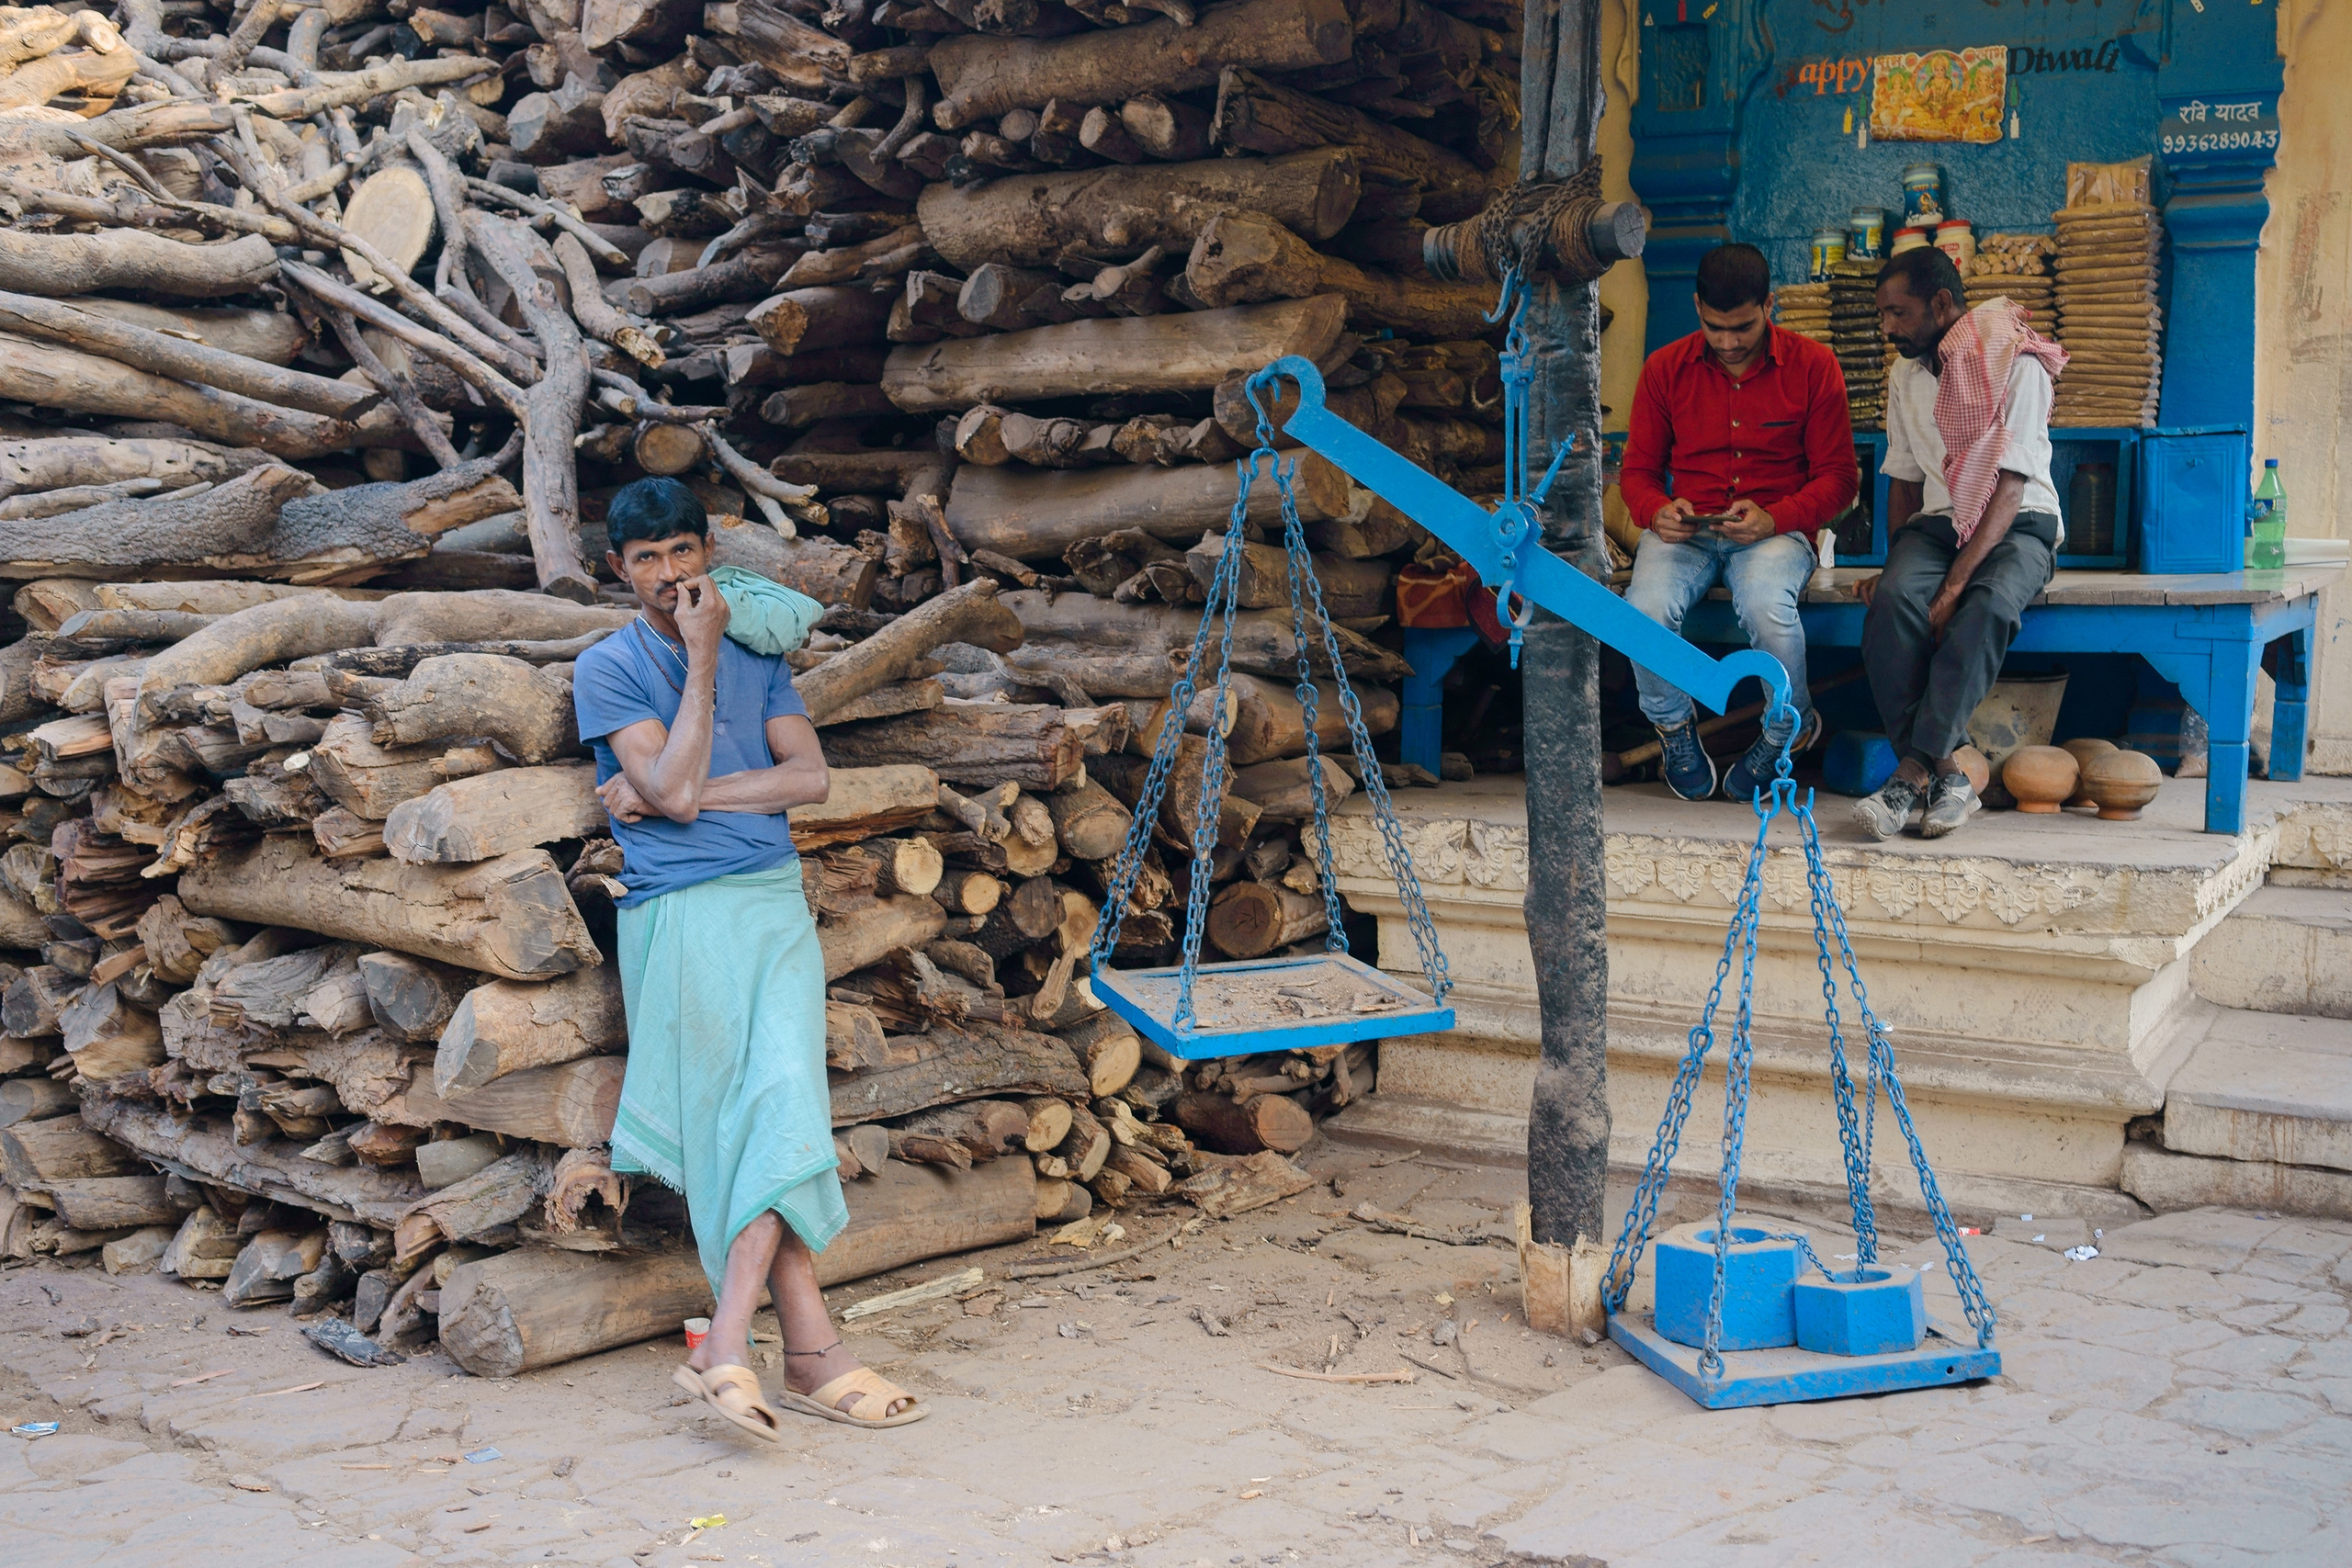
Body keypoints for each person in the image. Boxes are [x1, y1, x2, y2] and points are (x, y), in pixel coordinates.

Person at [571, 478, 926, 1438]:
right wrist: (695, 668)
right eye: (645, 560)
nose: (667, 575)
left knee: (779, 1106)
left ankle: (768, 1349)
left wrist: (681, 791)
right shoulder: (606, 669)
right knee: (758, 1118)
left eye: (682, 554)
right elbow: (673, 793)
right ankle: (774, 1346)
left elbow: (806, 778)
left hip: (771, 905)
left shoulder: (760, 659)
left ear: (708, 558)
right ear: (619, 570)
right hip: (683, 916)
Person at [1619, 243, 1859, 802]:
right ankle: (1674, 730)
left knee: (1764, 608)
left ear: (1769, 305)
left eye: (1744, 327)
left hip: (1774, 532)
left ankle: (1787, 730)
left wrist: (1777, 517)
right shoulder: (1664, 369)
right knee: (1644, 610)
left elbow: (1840, 480)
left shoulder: (1814, 366)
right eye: (1715, 327)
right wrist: (1656, 510)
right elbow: (1637, 474)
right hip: (1689, 535)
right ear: (1698, 307)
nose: (1728, 342)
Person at [1851, 245, 2068, 840]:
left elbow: (2009, 488)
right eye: (1883, 314)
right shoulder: (1905, 373)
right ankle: (1948, 774)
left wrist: (1952, 586)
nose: (1887, 327)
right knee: (1893, 602)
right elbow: (1904, 478)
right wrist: (1897, 565)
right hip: (1941, 522)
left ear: (1942, 303)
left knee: (1988, 606)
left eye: (1899, 312)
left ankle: (1909, 775)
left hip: (2020, 522)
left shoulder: (2018, 364)